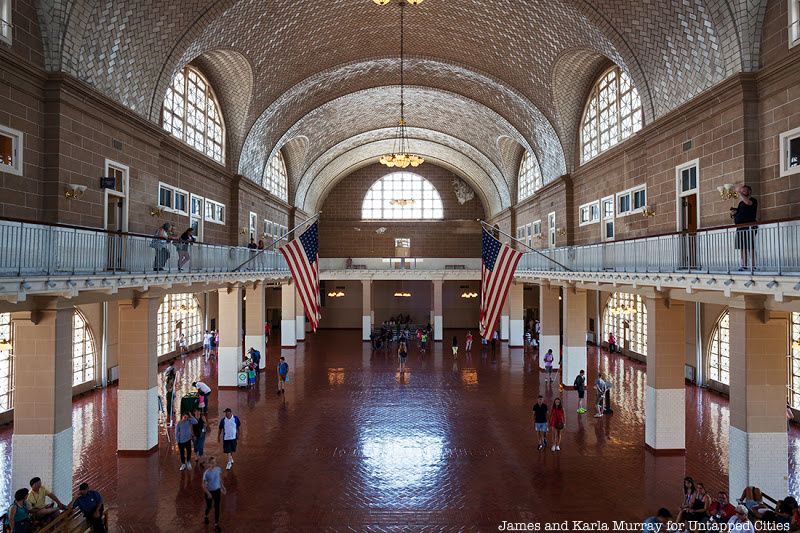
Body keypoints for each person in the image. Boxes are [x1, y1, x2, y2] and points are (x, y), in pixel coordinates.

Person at [730, 184, 758, 271]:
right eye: (741, 191)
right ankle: (743, 265)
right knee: (742, 247)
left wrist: (738, 192)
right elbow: (740, 213)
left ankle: (753, 266)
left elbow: (748, 202)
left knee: (750, 247)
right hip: (740, 227)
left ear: (749, 192)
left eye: (744, 191)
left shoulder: (753, 200)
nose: (742, 192)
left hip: (749, 227)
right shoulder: (741, 203)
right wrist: (734, 214)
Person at [202, 456, 226, 531]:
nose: (214, 463)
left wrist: (222, 487)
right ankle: (206, 516)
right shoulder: (206, 473)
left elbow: (219, 478)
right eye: (212, 463)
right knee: (209, 506)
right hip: (209, 492)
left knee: (217, 507)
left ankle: (216, 524)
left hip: (217, 491)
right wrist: (208, 493)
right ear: (209, 464)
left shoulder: (218, 469)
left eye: (215, 462)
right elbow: (203, 485)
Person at [164, 362, 177, 426]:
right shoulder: (169, 381)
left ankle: (172, 411)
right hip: (169, 394)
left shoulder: (172, 379)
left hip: (172, 393)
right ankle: (169, 413)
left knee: (173, 402)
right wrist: (171, 389)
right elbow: (168, 389)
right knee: (169, 403)